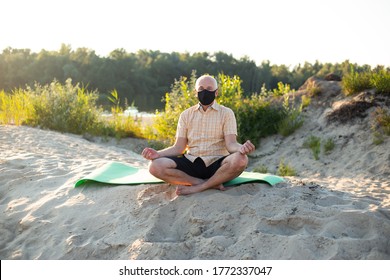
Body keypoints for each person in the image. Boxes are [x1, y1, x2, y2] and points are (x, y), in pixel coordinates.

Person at [142, 74, 255, 195]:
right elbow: (179, 148)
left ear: (216, 92)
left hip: (218, 163)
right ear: (195, 92)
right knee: (154, 166)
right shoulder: (186, 115)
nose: (205, 92)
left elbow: (231, 144)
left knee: (241, 159)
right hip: (192, 162)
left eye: (209, 88)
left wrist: (241, 148)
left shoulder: (227, 113)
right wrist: (158, 154)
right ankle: (199, 182)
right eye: (201, 89)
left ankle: (199, 187)